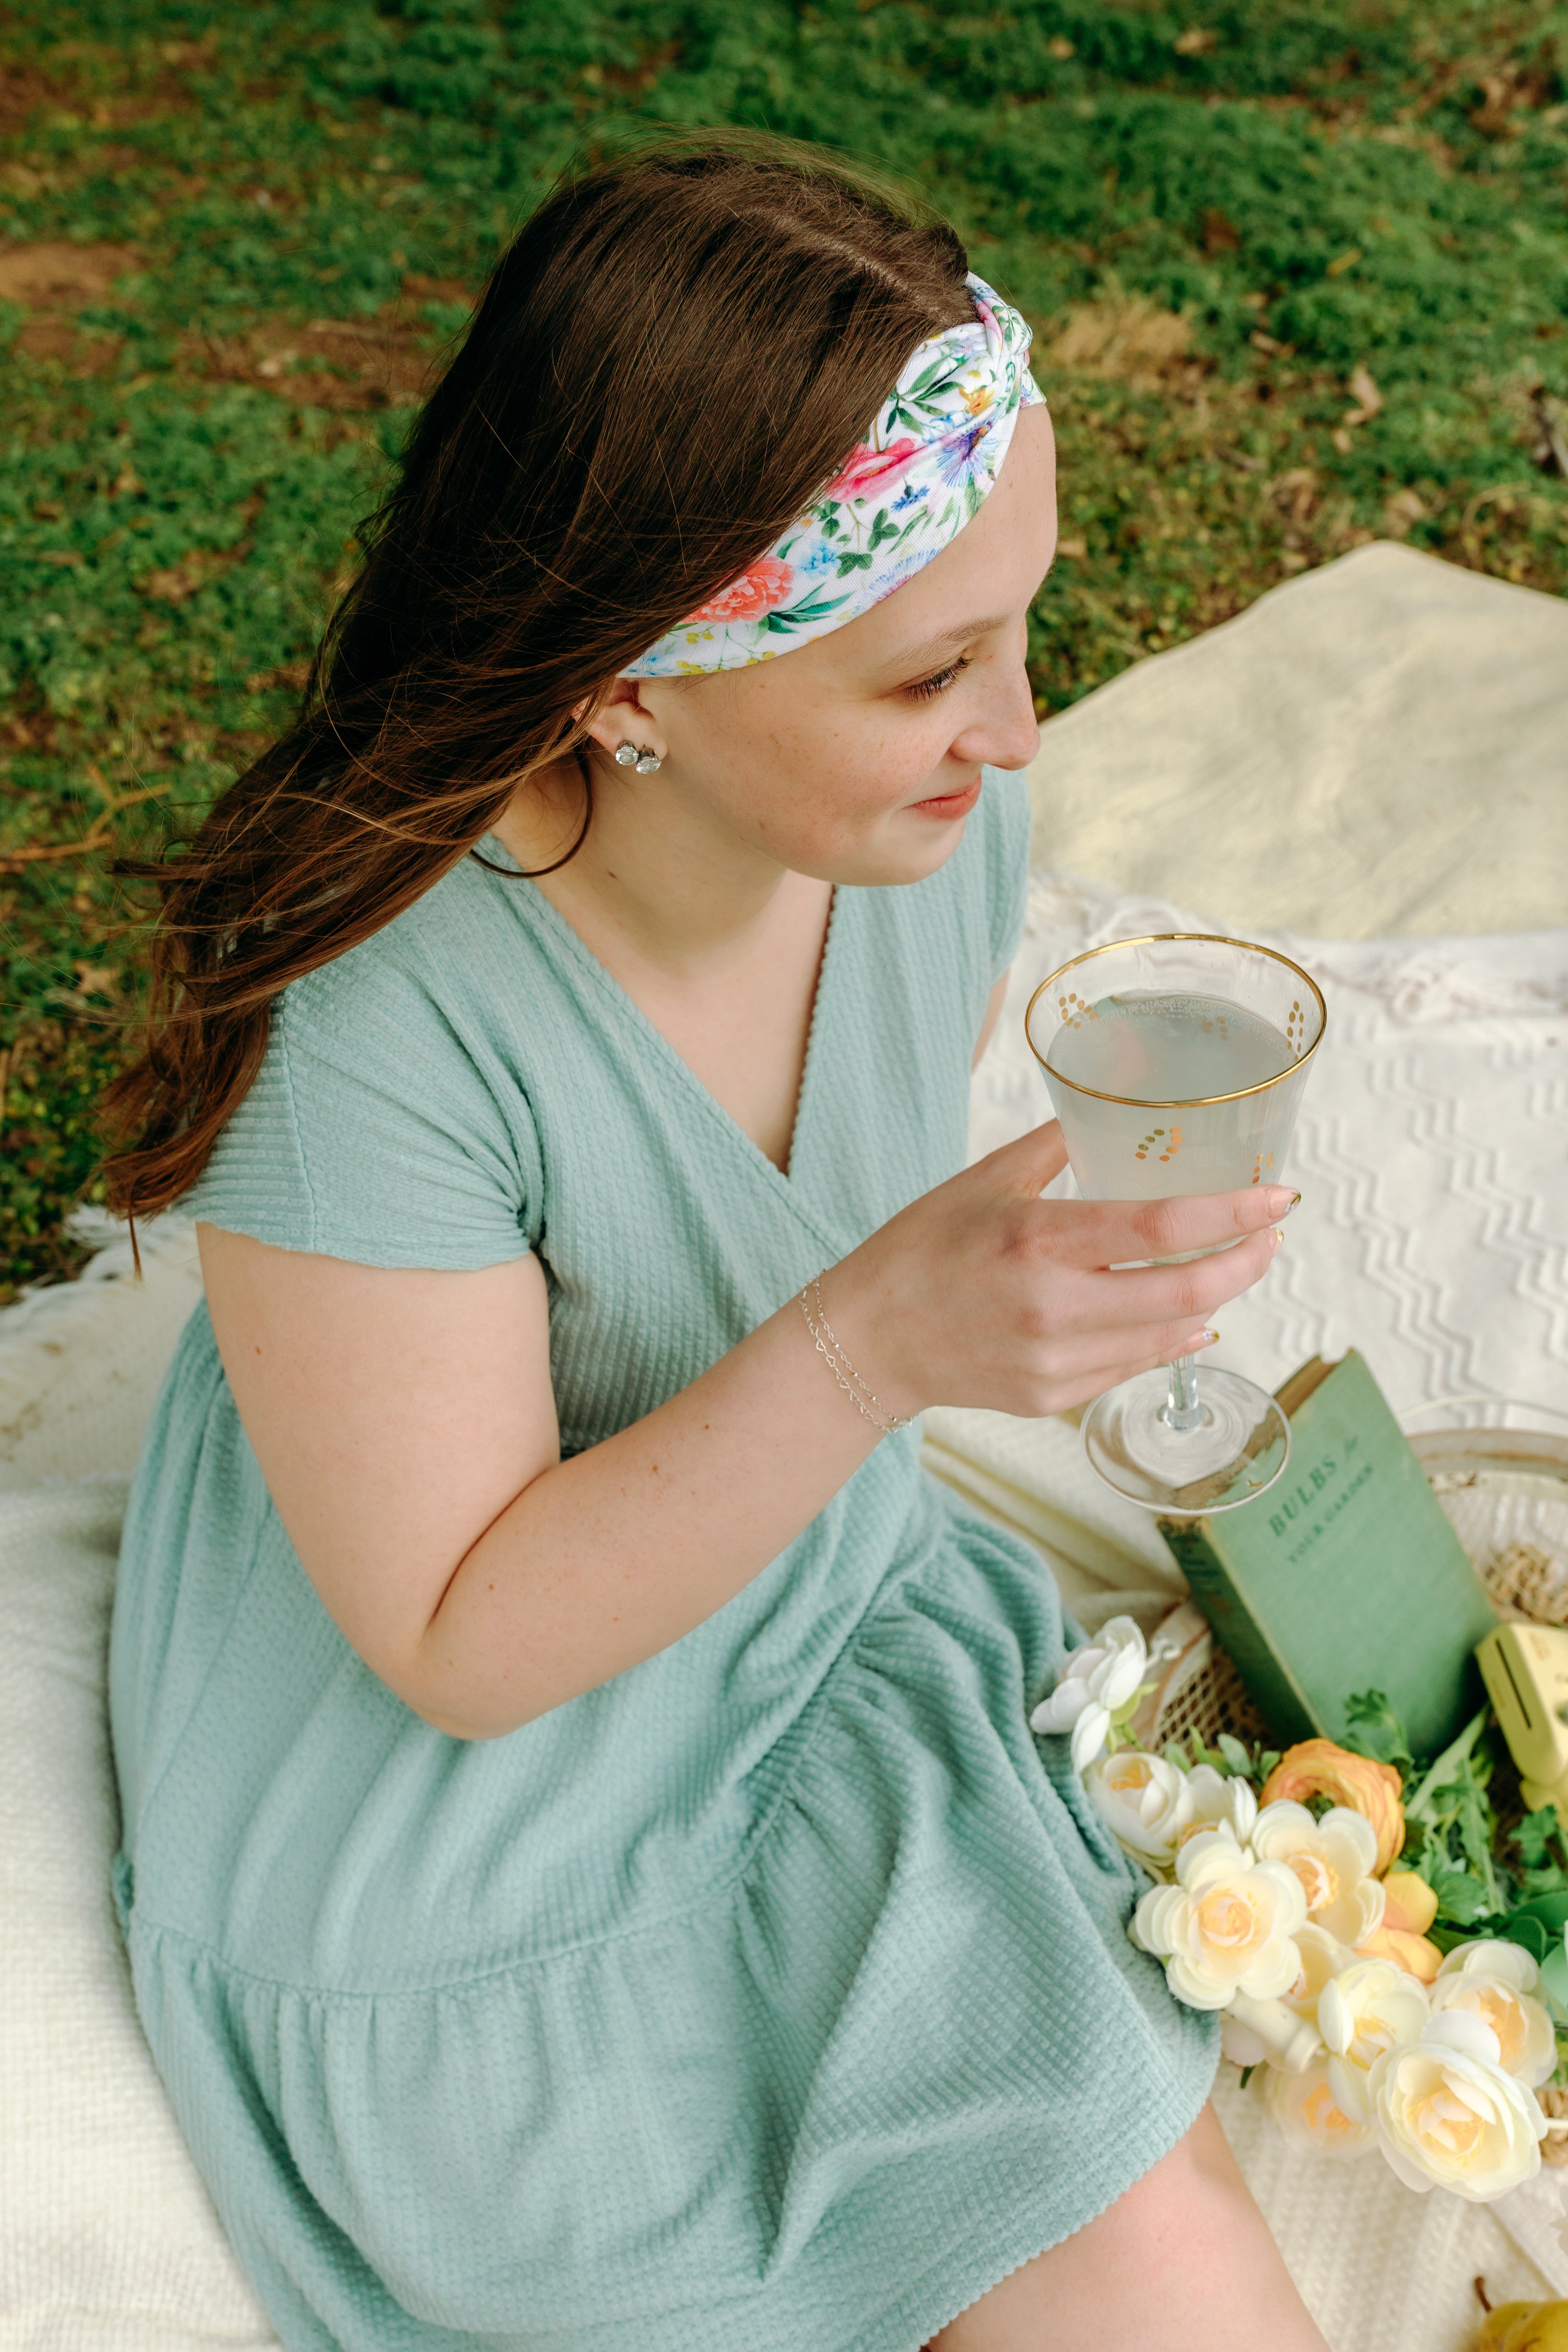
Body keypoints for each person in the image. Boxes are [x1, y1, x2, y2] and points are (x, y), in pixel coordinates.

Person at [103, 132, 1325, 2352]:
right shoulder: (374, 1014)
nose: (1023, 729)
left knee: (1144, 2210)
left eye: (1024, 631)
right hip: (466, 1826)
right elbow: (457, 1636)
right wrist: (880, 1351)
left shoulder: (936, 836)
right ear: (628, 689)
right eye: (927, 673)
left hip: (787, 1613)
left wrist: (896, 1355)